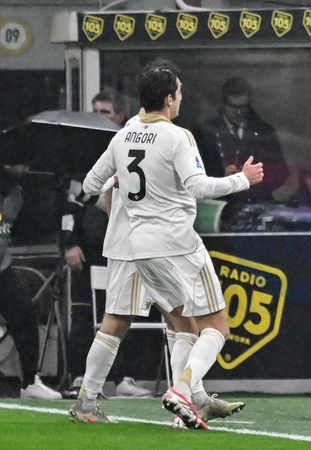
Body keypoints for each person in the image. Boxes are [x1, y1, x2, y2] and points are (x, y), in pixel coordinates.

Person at [82, 58, 263, 429]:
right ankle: (183, 393)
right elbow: (199, 187)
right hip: (177, 245)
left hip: (134, 245)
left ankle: (185, 401)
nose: (182, 97)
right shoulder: (177, 136)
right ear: (168, 98)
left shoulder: (124, 134)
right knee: (213, 327)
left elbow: (90, 185)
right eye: (179, 92)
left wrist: (119, 181)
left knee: (170, 324)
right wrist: (243, 180)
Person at [69, 181, 244, 425]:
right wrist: (242, 179)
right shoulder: (169, 154)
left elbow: (97, 183)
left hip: (125, 247)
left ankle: (86, 403)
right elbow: (198, 185)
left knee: (117, 323)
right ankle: (185, 399)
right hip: (161, 244)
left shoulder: (121, 154)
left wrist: (115, 221)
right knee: (193, 326)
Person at [63, 90, 152, 399]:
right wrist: (70, 243)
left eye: (105, 112)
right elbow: (70, 204)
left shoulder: (133, 148)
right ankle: (80, 377)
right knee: (83, 315)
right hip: (88, 250)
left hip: (123, 247)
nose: (98, 117)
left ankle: (124, 378)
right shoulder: (82, 153)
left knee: (123, 312)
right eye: (95, 111)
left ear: (120, 116)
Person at [0, 165, 62, 400]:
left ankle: (29, 382)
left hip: (2, 267)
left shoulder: (13, 193)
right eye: (18, 164)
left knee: (25, 312)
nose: (24, 169)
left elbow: (21, 222)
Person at [195, 76, 289, 223]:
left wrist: (255, 181)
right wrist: (221, 175)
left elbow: (280, 172)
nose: (238, 112)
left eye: (243, 107)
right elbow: (195, 175)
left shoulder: (264, 132)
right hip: (219, 208)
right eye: (234, 107)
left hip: (256, 206)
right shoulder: (205, 133)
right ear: (224, 104)